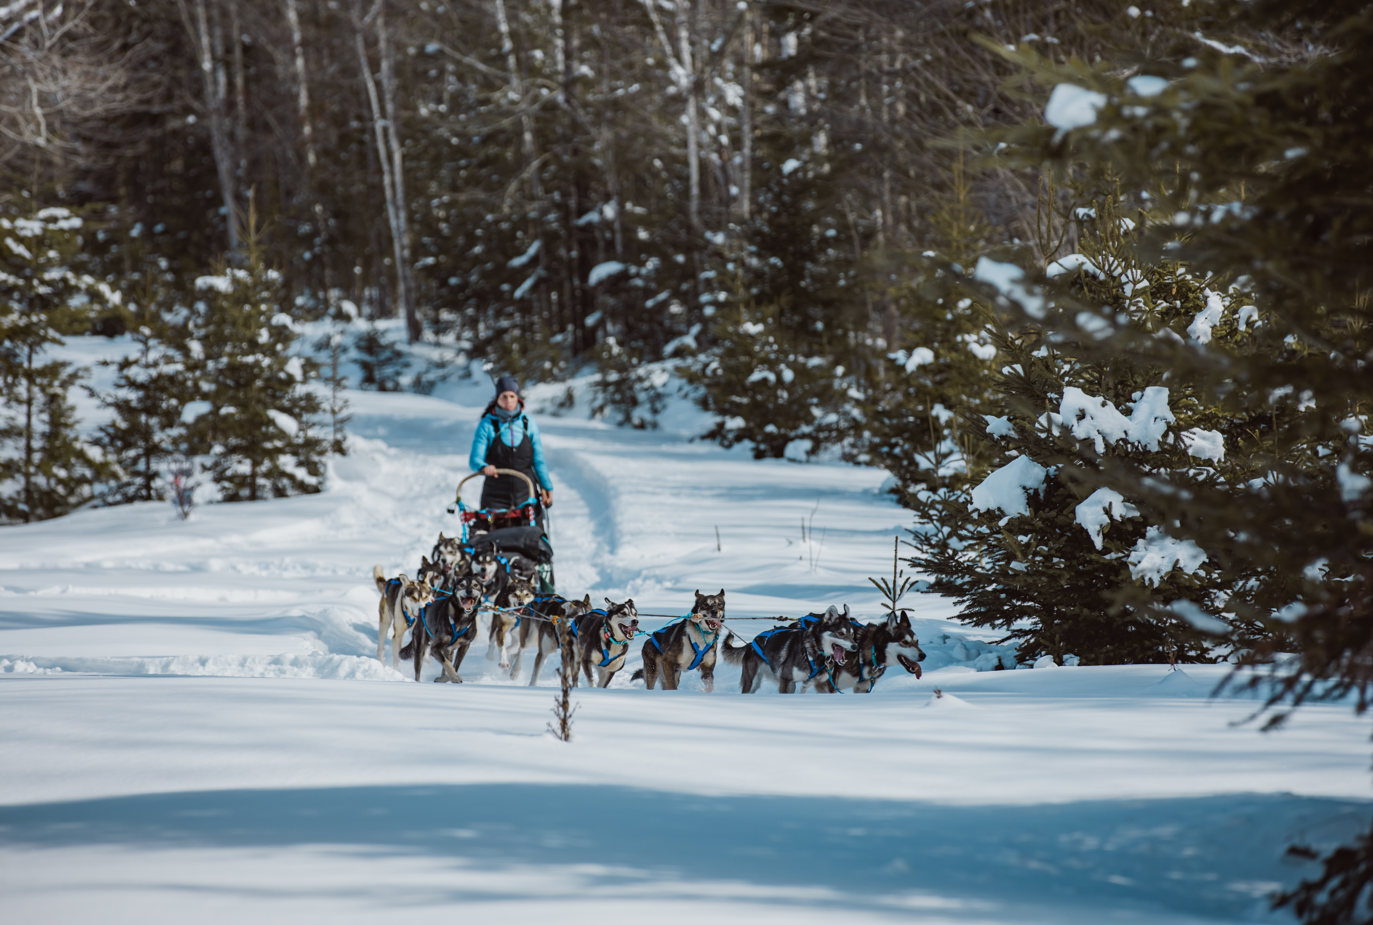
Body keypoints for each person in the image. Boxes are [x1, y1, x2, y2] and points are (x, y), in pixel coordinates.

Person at [469, 375, 553, 527]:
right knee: (490, 533)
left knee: (532, 539)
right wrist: (483, 467)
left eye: (512, 396)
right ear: (497, 398)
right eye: (504, 396)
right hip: (495, 495)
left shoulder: (528, 424)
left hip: (526, 493)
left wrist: (546, 487)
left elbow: (538, 460)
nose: (508, 400)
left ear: (517, 398)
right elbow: (475, 458)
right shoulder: (487, 424)